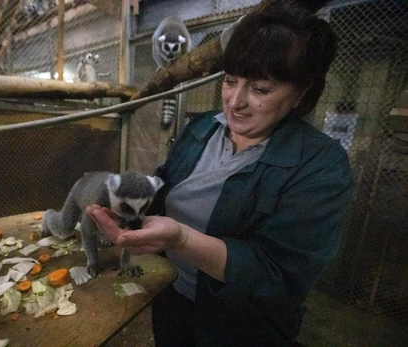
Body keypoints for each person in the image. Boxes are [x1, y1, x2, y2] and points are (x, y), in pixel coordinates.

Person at [86, 1, 353, 346]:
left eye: (260, 89)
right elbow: (162, 193)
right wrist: (128, 213)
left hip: (242, 325)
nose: (235, 102)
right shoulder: (201, 129)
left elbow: (278, 276)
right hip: (171, 295)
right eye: (230, 81)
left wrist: (180, 239)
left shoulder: (319, 165)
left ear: (301, 93)